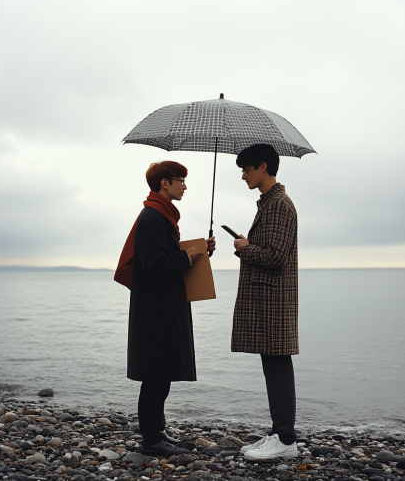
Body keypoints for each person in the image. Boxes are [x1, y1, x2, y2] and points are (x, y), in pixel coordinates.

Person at [114, 160, 216, 457]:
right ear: (164, 184)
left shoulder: (162, 216)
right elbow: (154, 265)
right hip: (155, 312)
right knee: (155, 376)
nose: (184, 185)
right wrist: (187, 258)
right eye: (180, 180)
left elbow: (163, 255)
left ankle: (157, 433)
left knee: (161, 374)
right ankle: (151, 440)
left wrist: (199, 252)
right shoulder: (152, 217)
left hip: (161, 308)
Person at [231, 143, 299, 461]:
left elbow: (274, 256)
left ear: (262, 167)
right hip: (267, 299)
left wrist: (246, 248)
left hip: (273, 300)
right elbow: (269, 249)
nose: (243, 175)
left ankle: (285, 438)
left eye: (246, 169)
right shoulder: (268, 203)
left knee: (277, 366)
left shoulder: (279, 205)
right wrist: (247, 245)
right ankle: (278, 432)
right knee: (272, 366)